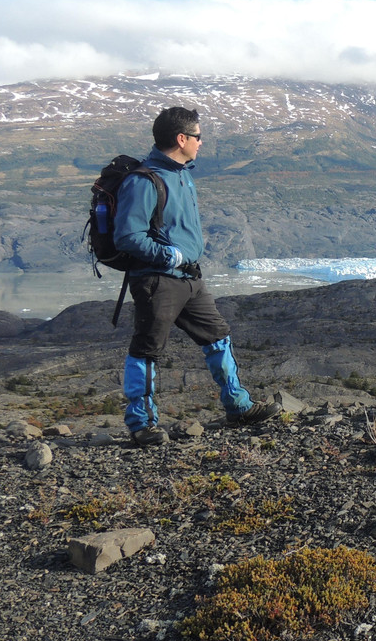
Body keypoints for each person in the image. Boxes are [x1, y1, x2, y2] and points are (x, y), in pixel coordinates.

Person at [113, 106, 280, 446]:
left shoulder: (182, 174)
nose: (201, 143)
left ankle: (238, 406)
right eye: (198, 137)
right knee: (147, 350)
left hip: (189, 278)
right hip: (157, 280)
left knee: (218, 336)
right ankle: (141, 424)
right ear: (181, 138)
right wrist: (169, 255)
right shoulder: (144, 181)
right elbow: (127, 236)